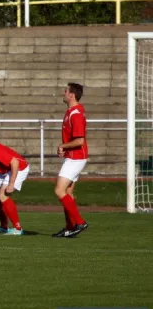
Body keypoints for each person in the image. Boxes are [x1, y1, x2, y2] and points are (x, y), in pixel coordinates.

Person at [52, 83, 89, 238]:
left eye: (66, 91)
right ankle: (70, 227)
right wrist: (65, 148)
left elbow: (80, 140)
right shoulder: (71, 112)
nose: (63, 93)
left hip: (76, 158)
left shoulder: (76, 114)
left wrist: (63, 145)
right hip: (73, 157)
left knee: (59, 190)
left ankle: (79, 222)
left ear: (72, 95)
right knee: (68, 193)